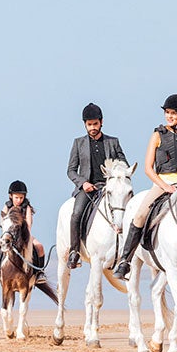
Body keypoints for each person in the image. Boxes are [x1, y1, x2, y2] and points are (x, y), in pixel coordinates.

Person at [114, 94, 177, 278]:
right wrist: (165, 186)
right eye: (167, 113)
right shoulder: (157, 135)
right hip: (163, 182)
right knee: (140, 215)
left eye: (173, 113)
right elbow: (148, 169)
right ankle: (125, 260)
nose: (169, 116)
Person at [65, 102, 127, 269]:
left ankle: (128, 253)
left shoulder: (113, 142)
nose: (92, 127)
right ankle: (74, 251)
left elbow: (124, 165)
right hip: (88, 188)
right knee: (76, 214)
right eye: (89, 124)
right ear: (85, 124)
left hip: (109, 187)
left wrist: (117, 175)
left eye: (95, 124)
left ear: (101, 122)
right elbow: (71, 170)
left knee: (128, 210)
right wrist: (83, 183)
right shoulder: (78, 143)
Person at [0, 180, 48, 285]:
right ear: (11, 196)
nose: (19, 200)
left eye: (21, 197)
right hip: (9, 235)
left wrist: (24, 233)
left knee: (39, 247)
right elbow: (1, 221)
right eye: (16, 197)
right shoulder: (7, 206)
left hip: (24, 235)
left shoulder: (26, 207)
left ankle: (39, 272)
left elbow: (29, 223)